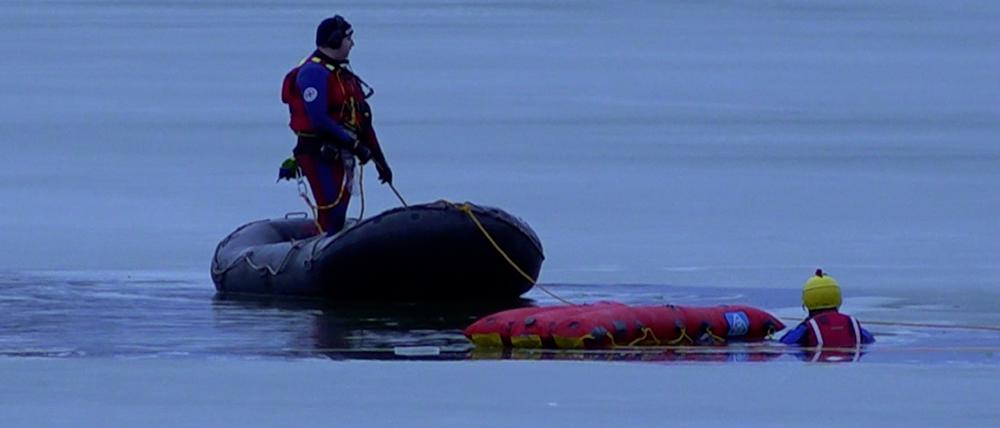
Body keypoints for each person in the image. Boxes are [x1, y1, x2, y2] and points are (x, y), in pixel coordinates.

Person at [281, 15, 392, 233]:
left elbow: (363, 121)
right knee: (331, 211)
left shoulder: (344, 75)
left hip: (344, 152)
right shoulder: (313, 73)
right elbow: (319, 119)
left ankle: (329, 243)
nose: (352, 44)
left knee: (339, 212)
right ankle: (316, 253)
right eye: (349, 38)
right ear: (334, 40)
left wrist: (381, 161)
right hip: (319, 152)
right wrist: (356, 146)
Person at [780, 269, 875, 362]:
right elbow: (870, 340)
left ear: (806, 300)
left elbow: (785, 343)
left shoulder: (807, 328)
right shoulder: (852, 325)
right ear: (838, 299)